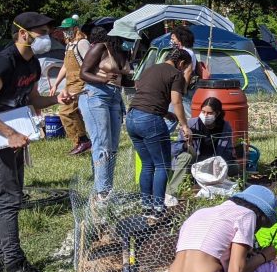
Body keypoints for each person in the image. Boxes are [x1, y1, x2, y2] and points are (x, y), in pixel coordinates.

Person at [0, 12, 62, 272]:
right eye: (41, 32)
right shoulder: (4, 63)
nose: (46, 37)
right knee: (9, 200)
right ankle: (15, 265)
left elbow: (31, 100)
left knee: (8, 198)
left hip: (11, 137)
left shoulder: (32, 64)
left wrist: (57, 98)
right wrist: (9, 134)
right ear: (23, 33)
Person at [127, 49, 193, 218]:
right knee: (162, 165)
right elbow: (176, 101)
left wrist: (165, 114)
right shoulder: (176, 74)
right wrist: (184, 125)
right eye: (186, 68)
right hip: (150, 120)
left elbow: (150, 95)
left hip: (132, 117)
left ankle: (146, 206)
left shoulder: (151, 69)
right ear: (182, 64)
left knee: (148, 164)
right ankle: (158, 208)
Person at [77, 26, 133, 199]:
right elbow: (83, 73)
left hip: (115, 96)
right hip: (96, 95)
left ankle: (106, 187)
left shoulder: (123, 53)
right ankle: (102, 192)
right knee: (102, 143)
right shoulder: (100, 48)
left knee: (113, 145)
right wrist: (103, 78)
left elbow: (126, 80)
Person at [50, 16, 91, 155]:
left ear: (75, 29)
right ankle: (81, 142)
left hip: (80, 82)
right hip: (69, 83)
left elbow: (90, 63)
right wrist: (56, 84)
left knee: (65, 111)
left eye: (67, 29)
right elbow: (66, 66)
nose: (65, 32)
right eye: (63, 30)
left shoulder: (82, 43)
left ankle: (82, 140)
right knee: (72, 112)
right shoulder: (69, 45)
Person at [173, 97, 235, 164]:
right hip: (195, 161)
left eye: (209, 113)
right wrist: (185, 145)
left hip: (215, 162)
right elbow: (173, 149)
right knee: (186, 157)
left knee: (235, 167)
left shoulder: (225, 127)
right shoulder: (191, 124)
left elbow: (228, 150)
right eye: (203, 112)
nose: (205, 115)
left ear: (217, 113)